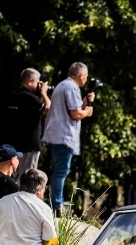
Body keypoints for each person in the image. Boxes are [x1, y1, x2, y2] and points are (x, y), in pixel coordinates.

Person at [42, 62, 95, 213]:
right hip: (64, 136)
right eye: (86, 76)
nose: (86, 79)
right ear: (80, 75)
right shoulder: (72, 88)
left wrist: (85, 101)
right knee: (61, 171)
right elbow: (75, 113)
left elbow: (71, 108)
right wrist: (87, 112)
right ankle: (57, 205)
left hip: (56, 134)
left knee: (58, 169)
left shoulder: (62, 85)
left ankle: (55, 202)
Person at [5, 68, 50, 177]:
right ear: (30, 82)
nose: (40, 85)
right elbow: (48, 110)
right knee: (28, 178)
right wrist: (44, 93)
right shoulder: (29, 97)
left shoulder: (13, 95)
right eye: (38, 82)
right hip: (29, 146)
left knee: (14, 176)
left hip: (14, 144)